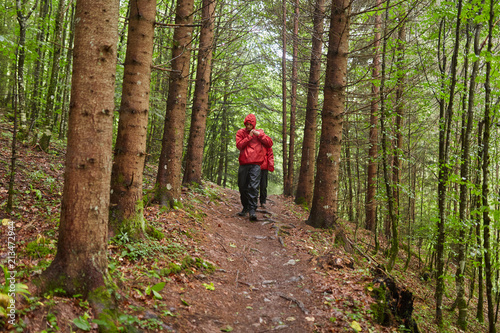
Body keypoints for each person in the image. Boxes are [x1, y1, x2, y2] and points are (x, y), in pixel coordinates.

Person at [236, 114, 273, 221]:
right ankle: (245, 207)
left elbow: (270, 143)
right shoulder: (241, 133)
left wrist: (259, 135)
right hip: (243, 164)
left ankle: (252, 210)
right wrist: (249, 137)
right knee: (242, 187)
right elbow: (239, 145)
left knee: (253, 187)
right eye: (246, 124)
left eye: (250, 124)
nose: (248, 126)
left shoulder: (260, 133)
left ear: (254, 124)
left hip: (256, 164)